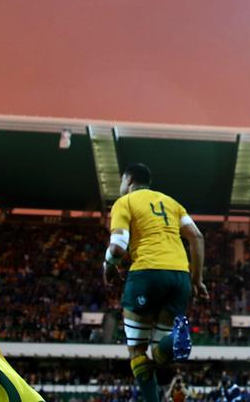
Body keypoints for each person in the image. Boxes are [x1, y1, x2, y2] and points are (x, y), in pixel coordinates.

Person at [104, 163, 208, 402]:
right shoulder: (172, 203)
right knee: (159, 351)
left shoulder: (125, 202)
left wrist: (108, 266)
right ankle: (175, 339)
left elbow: (118, 246)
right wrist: (197, 279)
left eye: (121, 180)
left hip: (147, 273)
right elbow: (197, 237)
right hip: (180, 277)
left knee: (137, 351)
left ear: (129, 180)